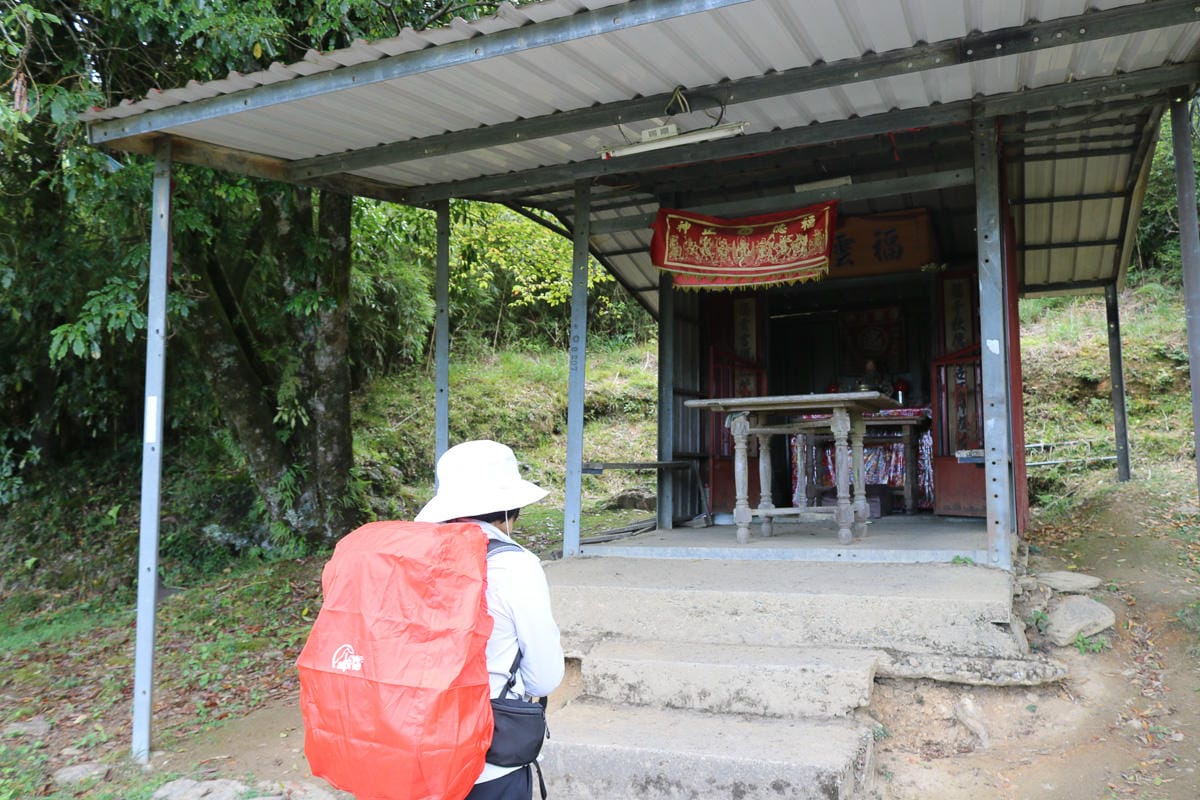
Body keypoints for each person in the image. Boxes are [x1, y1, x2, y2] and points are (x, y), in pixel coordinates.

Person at [415, 439, 565, 800]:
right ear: (511, 508)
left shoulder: (412, 558)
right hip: (487, 759)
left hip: (412, 743)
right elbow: (545, 677)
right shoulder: (513, 565)